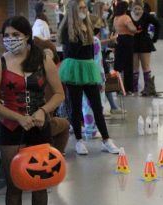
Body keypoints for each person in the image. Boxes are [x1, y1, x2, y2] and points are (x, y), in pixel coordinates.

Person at [0, 16, 64, 205]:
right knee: (14, 184)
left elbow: (59, 94)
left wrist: (42, 111)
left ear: (27, 36)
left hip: (39, 126)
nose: (10, 40)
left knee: (41, 180)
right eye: (6, 35)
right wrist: (17, 117)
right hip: (10, 126)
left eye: (15, 35)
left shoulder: (42, 59)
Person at [58, 0, 120, 155]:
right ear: (73, 10)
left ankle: (106, 139)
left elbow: (100, 28)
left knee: (97, 106)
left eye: (85, 7)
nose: (84, 10)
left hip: (88, 68)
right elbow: (72, 49)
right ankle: (79, 140)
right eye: (81, 8)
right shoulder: (67, 28)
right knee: (76, 106)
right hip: (74, 69)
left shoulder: (89, 26)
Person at [91, 1, 123, 115]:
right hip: (96, 55)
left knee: (107, 79)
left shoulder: (104, 22)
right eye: (104, 10)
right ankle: (105, 106)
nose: (106, 12)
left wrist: (111, 43)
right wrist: (109, 40)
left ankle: (112, 106)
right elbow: (95, 41)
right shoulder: (94, 22)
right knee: (103, 80)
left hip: (103, 53)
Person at [130, 0, 160, 96]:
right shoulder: (128, 15)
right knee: (134, 67)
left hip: (145, 43)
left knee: (145, 66)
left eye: (139, 9)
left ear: (142, 8)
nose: (137, 11)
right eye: (135, 9)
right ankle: (134, 87)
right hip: (133, 43)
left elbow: (157, 24)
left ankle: (148, 88)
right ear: (132, 8)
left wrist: (155, 38)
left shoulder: (147, 16)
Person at [113, 1, 137, 94]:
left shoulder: (115, 18)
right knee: (128, 65)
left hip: (119, 40)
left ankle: (117, 87)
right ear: (125, 8)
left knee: (118, 64)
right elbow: (132, 29)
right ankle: (128, 88)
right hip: (127, 40)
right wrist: (136, 28)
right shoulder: (126, 17)